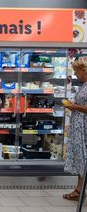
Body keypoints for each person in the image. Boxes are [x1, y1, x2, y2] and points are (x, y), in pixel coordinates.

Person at [63, 57, 87, 201]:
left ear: (84, 70)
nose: (76, 74)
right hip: (79, 127)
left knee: (84, 157)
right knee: (81, 158)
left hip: (84, 128)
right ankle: (79, 189)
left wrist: (75, 107)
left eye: (77, 71)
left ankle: (80, 190)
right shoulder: (84, 85)